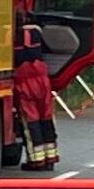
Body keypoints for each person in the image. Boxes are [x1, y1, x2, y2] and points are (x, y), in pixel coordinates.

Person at [14, 24, 59, 171]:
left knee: (31, 122)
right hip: (42, 80)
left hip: (25, 82)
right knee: (46, 118)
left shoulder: (14, 36)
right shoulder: (36, 34)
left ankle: (36, 160)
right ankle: (50, 158)